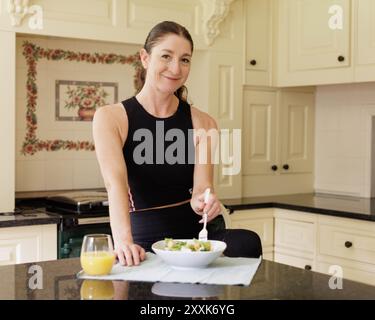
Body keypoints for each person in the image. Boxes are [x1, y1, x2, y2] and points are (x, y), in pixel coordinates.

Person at [93, 21, 262, 266]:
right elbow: (114, 184)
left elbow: (202, 187)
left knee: (247, 242)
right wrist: (123, 241)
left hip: (197, 239)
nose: (175, 68)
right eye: (166, 56)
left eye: (185, 59)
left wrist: (204, 201)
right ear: (145, 58)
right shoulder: (111, 118)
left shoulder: (204, 123)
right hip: (143, 237)